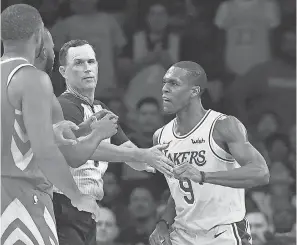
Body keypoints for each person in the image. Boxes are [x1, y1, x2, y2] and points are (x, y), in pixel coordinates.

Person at [52, 39, 175, 245]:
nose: (87, 69)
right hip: (64, 205)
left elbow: (129, 152)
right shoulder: (63, 105)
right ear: (63, 71)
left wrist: (159, 160)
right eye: (79, 63)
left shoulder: (100, 108)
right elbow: (87, 149)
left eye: (91, 62)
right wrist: (140, 155)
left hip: (88, 208)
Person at [0, 4, 102, 245]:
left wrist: (54, 131)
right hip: (22, 202)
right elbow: (45, 151)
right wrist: (76, 196)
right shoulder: (31, 77)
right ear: (38, 36)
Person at [149, 61, 270, 245]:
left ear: (194, 91)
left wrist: (203, 175)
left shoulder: (223, 125)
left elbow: (261, 173)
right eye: (164, 83)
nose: (165, 89)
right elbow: (178, 190)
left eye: (173, 83)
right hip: (182, 234)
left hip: (224, 233)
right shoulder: (161, 136)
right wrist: (163, 223)